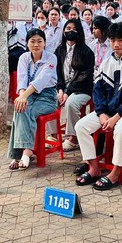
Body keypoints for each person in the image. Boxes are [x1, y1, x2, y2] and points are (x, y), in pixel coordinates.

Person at [74, 21, 122, 191]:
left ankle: (115, 173)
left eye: (120, 40)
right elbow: (97, 92)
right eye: (112, 40)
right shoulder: (105, 63)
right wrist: (101, 114)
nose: (116, 44)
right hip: (107, 112)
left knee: (120, 130)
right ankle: (94, 167)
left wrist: (115, 117)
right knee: (81, 126)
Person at [8, 29, 59, 170]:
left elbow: (42, 80)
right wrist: (22, 96)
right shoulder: (24, 57)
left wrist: (23, 97)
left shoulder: (51, 58)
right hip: (28, 93)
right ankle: (22, 154)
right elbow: (22, 79)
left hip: (47, 96)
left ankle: (23, 153)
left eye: (39, 41)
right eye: (33, 41)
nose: (36, 45)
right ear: (27, 43)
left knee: (26, 110)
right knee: (20, 108)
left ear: (44, 43)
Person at [54, 19, 95, 152]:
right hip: (64, 87)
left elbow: (84, 75)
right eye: (68, 28)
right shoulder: (59, 50)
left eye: (74, 29)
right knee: (50, 99)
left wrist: (68, 91)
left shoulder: (86, 51)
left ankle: (73, 138)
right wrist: (60, 89)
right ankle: (52, 134)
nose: (70, 31)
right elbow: (57, 71)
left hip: (82, 88)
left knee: (71, 102)